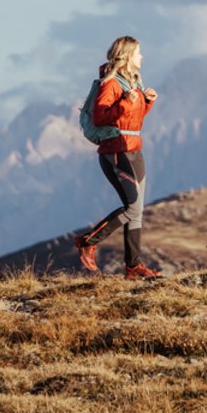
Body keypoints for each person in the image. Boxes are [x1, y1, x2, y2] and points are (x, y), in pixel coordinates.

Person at [73, 36, 163, 279]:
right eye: (138, 53)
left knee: (138, 209)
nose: (142, 57)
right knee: (132, 205)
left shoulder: (133, 82)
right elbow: (100, 118)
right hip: (115, 150)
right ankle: (88, 241)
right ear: (127, 56)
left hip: (134, 148)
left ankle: (133, 267)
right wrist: (125, 102)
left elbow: (132, 118)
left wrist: (147, 103)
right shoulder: (110, 84)